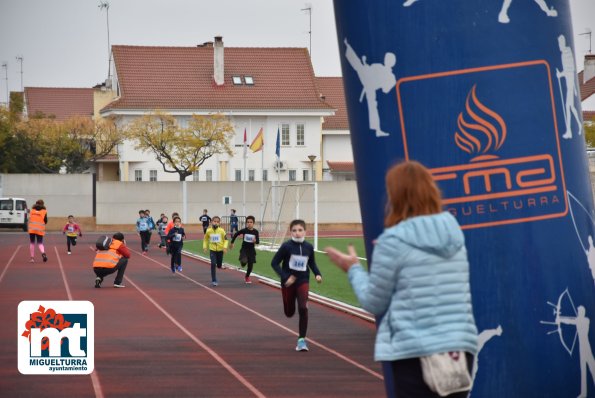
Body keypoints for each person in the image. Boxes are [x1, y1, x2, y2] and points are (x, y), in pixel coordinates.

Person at [325, 161, 478, 398]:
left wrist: (353, 268)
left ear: (395, 196)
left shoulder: (394, 241)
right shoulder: (454, 233)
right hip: (460, 349)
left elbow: (374, 302)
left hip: (414, 353)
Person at [271, 219, 322, 352]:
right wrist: (285, 277)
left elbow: (312, 263)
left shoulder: (309, 247)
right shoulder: (286, 246)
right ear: (290, 232)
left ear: (305, 231)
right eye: (294, 230)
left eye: (300, 230)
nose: (297, 233)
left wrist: (317, 274)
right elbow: (274, 263)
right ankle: (290, 305)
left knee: (303, 308)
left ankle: (301, 340)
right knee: (289, 312)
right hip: (288, 283)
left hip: (303, 280)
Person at [230, 215, 260, 284]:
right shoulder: (244, 230)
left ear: (253, 223)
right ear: (246, 223)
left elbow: (258, 241)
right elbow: (236, 234)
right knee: (244, 262)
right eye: (248, 222)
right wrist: (232, 243)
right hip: (244, 249)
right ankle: (242, 262)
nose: (249, 223)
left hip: (251, 250)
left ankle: (247, 276)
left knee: (250, 265)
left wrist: (255, 241)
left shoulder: (255, 232)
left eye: (251, 222)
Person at [203, 216, 228, 286]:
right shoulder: (208, 231)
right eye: (214, 221)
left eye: (217, 222)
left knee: (219, 265)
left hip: (220, 250)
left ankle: (219, 265)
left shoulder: (222, 231)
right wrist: (205, 247)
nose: (216, 223)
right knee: (213, 264)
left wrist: (225, 247)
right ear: (211, 222)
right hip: (212, 250)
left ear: (219, 223)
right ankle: (214, 280)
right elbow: (205, 240)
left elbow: (226, 240)